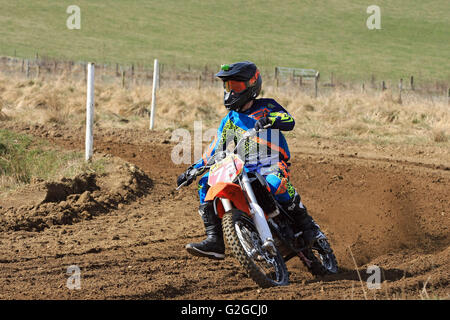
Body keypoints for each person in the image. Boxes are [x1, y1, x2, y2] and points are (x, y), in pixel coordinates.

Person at [177, 61, 319, 260]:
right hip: (244, 167)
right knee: (205, 183)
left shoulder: (266, 106)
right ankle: (215, 240)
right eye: (228, 87)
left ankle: (307, 226)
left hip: (271, 162)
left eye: (236, 86)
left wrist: (271, 119)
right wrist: (194, 168)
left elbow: (289, 120)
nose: (231, 92)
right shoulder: (230, 120)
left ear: (251, 85)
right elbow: (215, 146)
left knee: (275, 183)